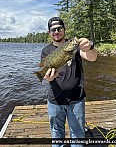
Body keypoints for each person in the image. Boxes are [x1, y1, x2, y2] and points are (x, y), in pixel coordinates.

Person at [41, 17, 97, 147]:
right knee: (56, 133)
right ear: (49, 32)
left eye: (59, 29)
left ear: (64, 30)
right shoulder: (45, 51)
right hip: (55, 100)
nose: (56, 32)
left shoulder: (74, 46)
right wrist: (47, 77)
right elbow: (45, 74)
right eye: (53, 29)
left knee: (77, 133)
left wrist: (90, 47)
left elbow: (92, 58)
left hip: (76, 99)